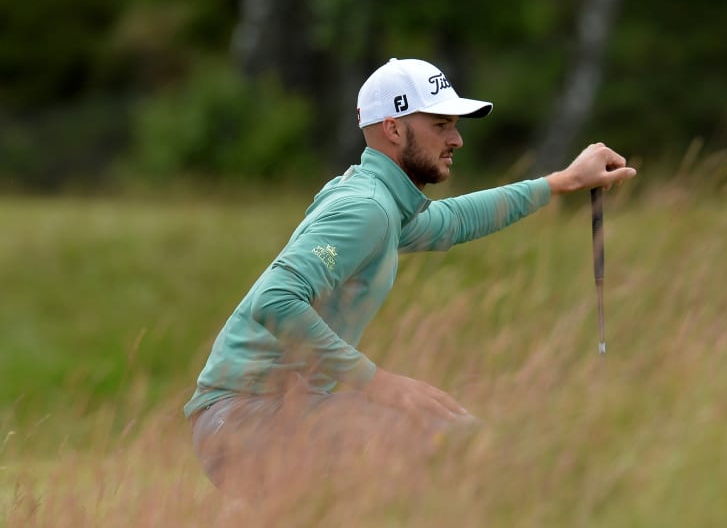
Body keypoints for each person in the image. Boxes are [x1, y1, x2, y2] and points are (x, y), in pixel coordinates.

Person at [184, 57, 636, 495]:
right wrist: (379, 383)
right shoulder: (366, 209)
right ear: (394, 128)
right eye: (441, 125)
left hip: (263, 416)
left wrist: (562, 182)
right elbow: (275, 301)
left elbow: (454, 220)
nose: (457, 139)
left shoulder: (379, 200)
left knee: (453, 442)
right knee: (458, 445)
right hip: (245, 420)